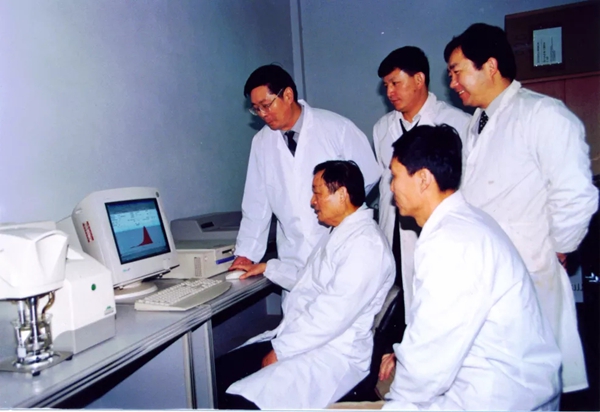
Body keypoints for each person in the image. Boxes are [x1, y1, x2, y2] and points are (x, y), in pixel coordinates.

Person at [343, 124, 560, 410]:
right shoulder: (462, 223)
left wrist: (399, 402)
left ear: (423, 179)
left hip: (499, 396)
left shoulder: (452, 242)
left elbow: (429, 358)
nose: (391, 187)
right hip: (483, 383)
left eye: (395, 176)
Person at [444, 23, 598, 393]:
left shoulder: (543, 114)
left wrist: (561, 246)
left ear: (490, 66)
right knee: (498, 381)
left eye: (457, 71)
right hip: (487, 272)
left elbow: (576, 193)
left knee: (532, 381)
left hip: (530, 268)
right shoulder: (477, 123)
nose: (452, 83)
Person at [216, 160, 394, 410]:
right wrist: (268, 268)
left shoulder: (366, 246)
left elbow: (330, 315)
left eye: (317, 193)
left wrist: (281, 351)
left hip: (333, 354)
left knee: (240, 400)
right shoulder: (343, 232)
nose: (312, 201)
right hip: (308, 339)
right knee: (217, 372)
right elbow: (310, 281)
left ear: (342, 194)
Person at [231, 65, 380, 291]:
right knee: (299, 311)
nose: (262, 114)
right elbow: (256, 204)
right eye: (256, 109)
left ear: (288, 95)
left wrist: (339, 217)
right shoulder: (261, 143)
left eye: (266, 105)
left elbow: (368, 175)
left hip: (340, 249)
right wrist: (246, 253)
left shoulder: (336, 128)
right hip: (293, 257)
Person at [373, 47, 470, 338]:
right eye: (386, 85)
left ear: (419, 79)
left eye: (395, 83)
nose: (389, 92)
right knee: (393, 309)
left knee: (433, 307)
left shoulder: (456, 123)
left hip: (435, 232)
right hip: (393, 230)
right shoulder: (382, 128)